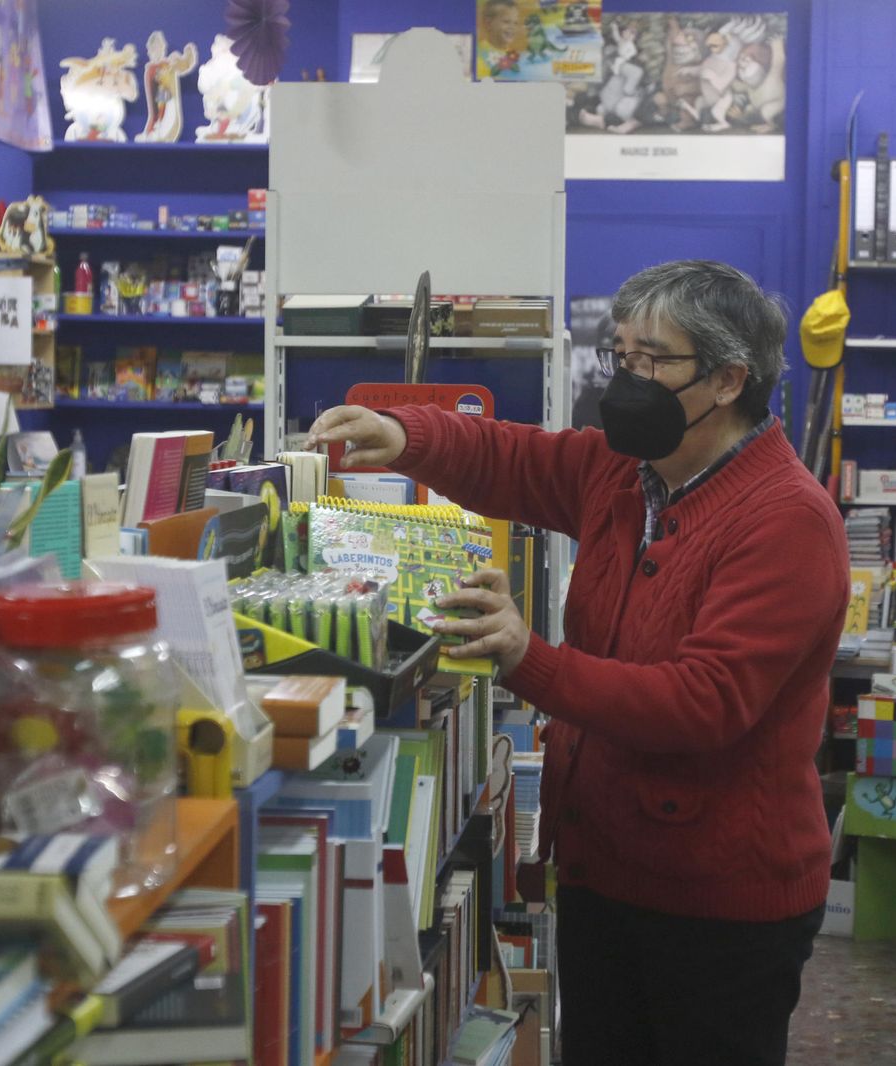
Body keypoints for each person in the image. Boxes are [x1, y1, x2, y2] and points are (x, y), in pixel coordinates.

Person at [307, 260, 848, 1066]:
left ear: (730, 378)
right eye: (621, 356)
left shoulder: (788, 521)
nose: (628, 379)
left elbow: (704, 703)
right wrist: (407, 436)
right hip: (605, 873)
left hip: (721, 907)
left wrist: (532, 659)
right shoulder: (627, 474)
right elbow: (514, 459)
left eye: (653, 361)